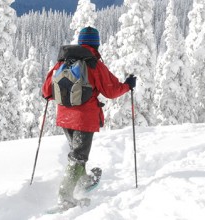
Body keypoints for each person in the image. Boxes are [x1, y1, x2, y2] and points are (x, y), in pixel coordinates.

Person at [42, 26, 136, 210]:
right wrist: (128, 85)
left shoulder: (63, 61)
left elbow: (46, 91)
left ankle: (83, 180)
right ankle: (65, 196)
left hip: (64, 117)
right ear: (96, 43)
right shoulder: (93, 63)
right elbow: (111, 90)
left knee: (76, 153)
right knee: (78, 156)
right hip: (84, 120)